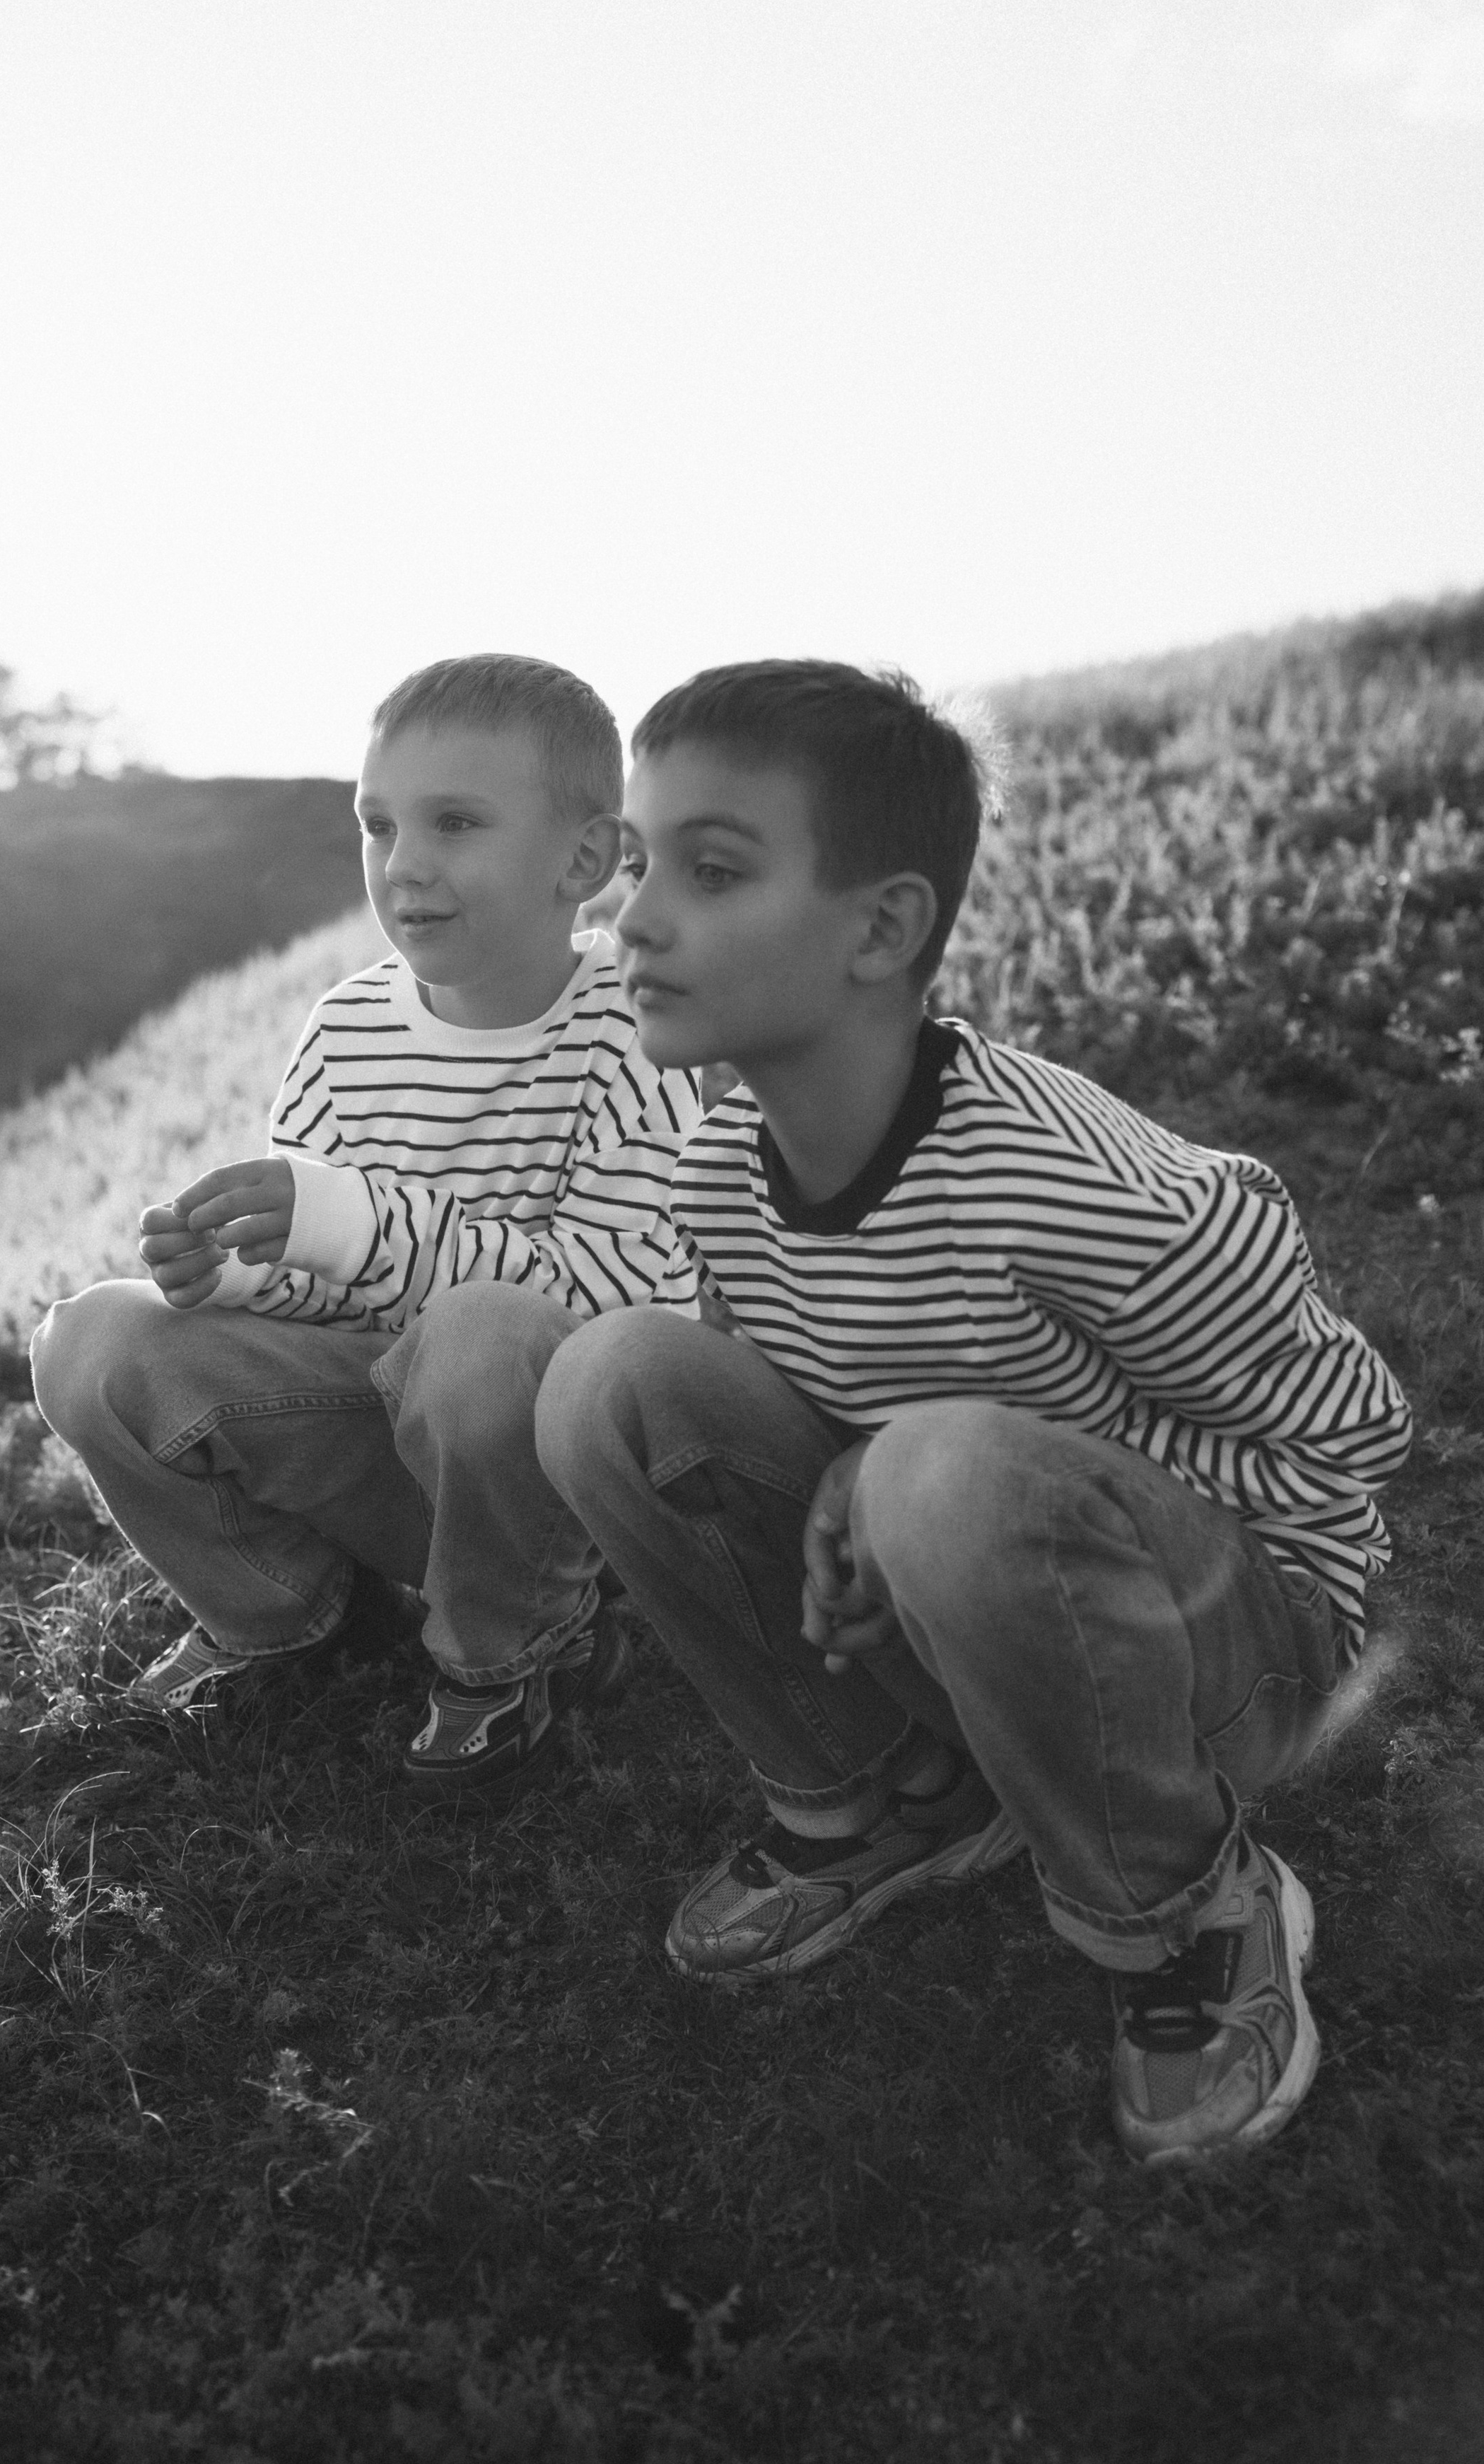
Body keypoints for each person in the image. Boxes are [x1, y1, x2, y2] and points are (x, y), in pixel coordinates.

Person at [532, 658, 1411, 2163]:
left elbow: (1344, 1425)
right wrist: (860, 1483)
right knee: (611, 1377)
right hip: (963, 1609)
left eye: (711, 868)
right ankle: (874, 1797)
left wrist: (964, 1482)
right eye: (634, 864)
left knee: (937, 1467)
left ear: (881, 926)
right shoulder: (715, 1166)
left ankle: (1182, 1908)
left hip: (1229, 1649)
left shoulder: (1060, 1179)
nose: (635, 919)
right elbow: (782, 1401)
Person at [30, 654, 701, 1798]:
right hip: (392, 1443)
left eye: (454, 823)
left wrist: (356, 1221)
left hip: (569, 1492)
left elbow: (624, 1308)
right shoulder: (345, 1033)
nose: (406, 867)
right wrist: (242, 1273)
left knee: (485, 1331)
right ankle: (286, 1612)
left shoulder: (635, 1032)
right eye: (378, 824)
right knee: (93, 1337)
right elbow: (330, 1278)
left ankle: (523, 1647)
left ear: (584, 861)